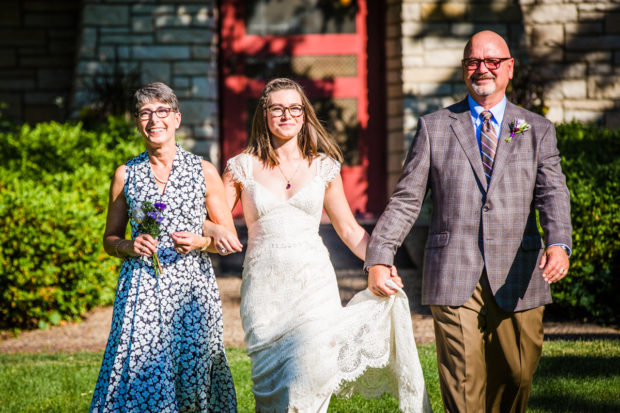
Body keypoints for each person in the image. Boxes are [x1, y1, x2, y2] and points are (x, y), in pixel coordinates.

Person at [365, 30, 573, 413]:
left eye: (492, 61)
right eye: (474, 62)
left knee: (517, 376)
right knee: (463, 382)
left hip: (519, 272)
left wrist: (559, 243)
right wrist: (380, 254)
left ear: (509, 68)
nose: (483, 69)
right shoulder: (435, 127)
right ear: (464, 70)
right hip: (454, 271)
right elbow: (407, 198)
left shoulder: (536, 129)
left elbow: (552, 194)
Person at [210, 78, 432, 412]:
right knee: (270, 396)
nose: (287, 115)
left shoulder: (324, 166)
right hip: (264, 292)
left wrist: (380, 262)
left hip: (314, 286)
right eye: (277, 108)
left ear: (304, 114)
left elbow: (348, 229)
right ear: (264, 114)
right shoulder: (240, 167)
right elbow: (214, 222)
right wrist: (208, 232)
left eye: (295, 108)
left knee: (309, 381)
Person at [90, 82, 240, 412]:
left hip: (192, 289)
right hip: (141, 288)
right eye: (145, 113)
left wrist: (201, 241)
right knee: (139, 372)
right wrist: (129, 245)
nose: (153, 119)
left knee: (193, 376)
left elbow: (226, 238)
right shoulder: (126, 174)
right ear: (137, 122)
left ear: (176, 119)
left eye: (162, 111)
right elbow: (109, 239)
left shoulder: (203, 171)